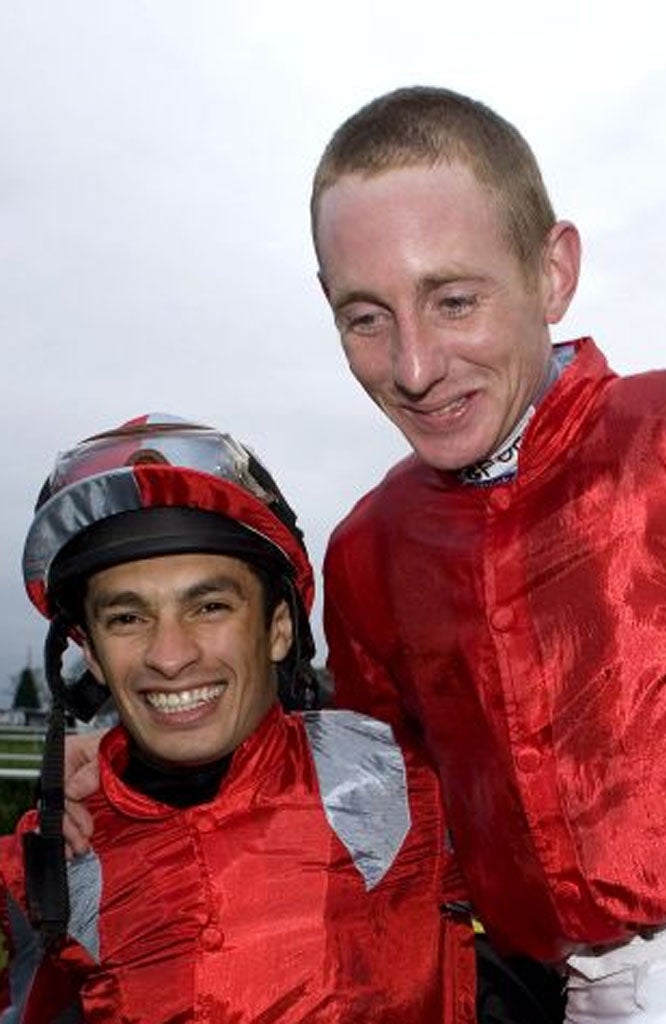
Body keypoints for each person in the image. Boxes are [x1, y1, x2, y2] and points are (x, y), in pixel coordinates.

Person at [311, 87, 666, 1021]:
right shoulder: (367, 552)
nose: (414, 365)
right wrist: (131, 786)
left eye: (453, 300)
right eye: (366, 317)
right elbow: (378, 811)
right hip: (567, 994)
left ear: (552, 272)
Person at [0, 413, 476, 1022]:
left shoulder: (411, 781)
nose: (170, 656)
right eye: (127, 618)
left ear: (278, 629)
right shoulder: (44, 861)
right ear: (90, 651)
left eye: (211, 605)